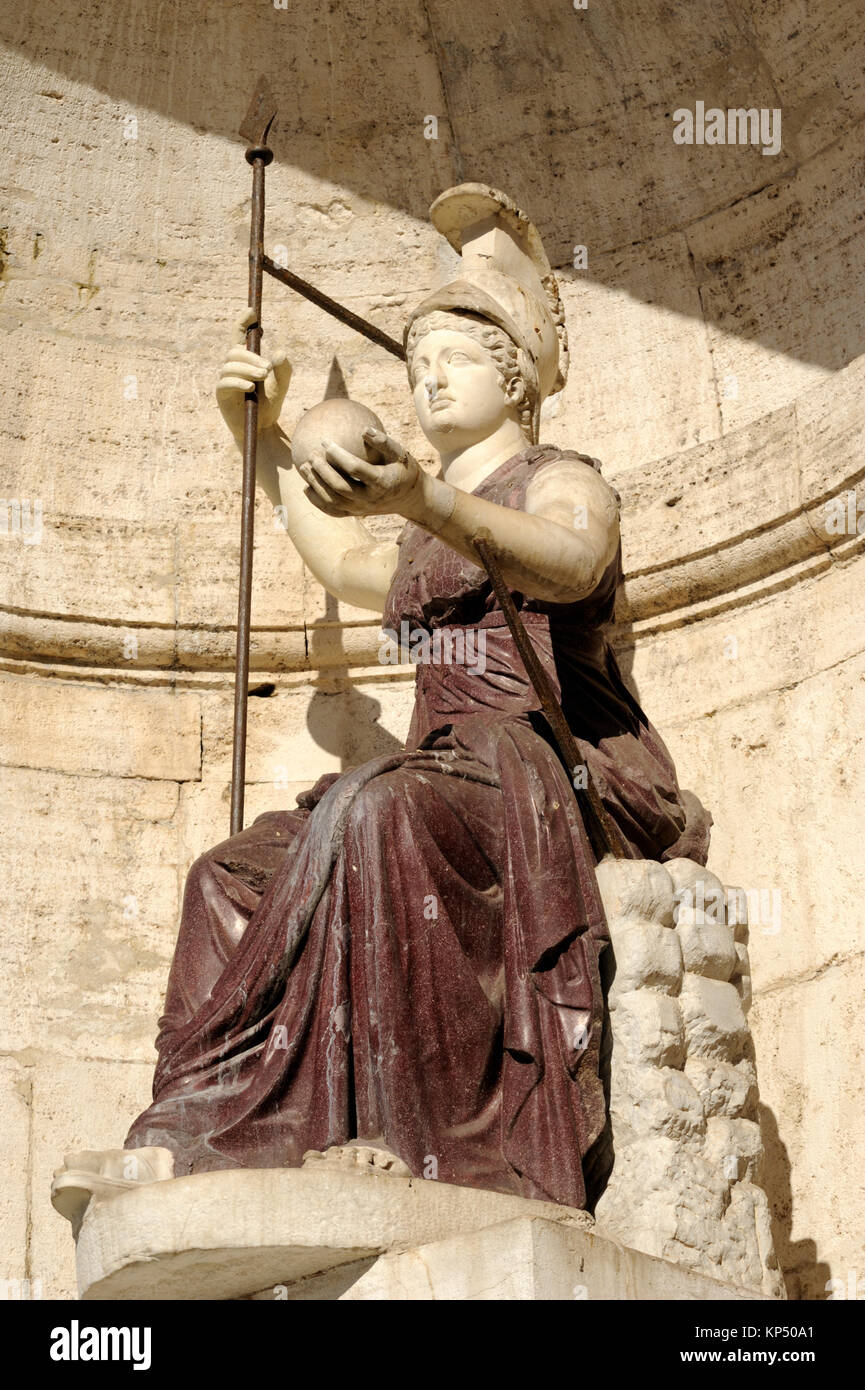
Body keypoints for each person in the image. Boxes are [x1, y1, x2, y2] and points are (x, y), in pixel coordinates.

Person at [52, 185, 710, 1227]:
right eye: (413, 364)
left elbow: (576, 557)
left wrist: (425, 495)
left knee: (375, 811)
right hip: (440, 771)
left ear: (512, 376)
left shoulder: (560, 478)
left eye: (449, 358)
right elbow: (340, 553)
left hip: (542, 772)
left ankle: (420, 1145)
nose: (426, 378)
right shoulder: (421, 522)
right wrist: (255, 434)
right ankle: (206, 1133)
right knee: (228, 874)